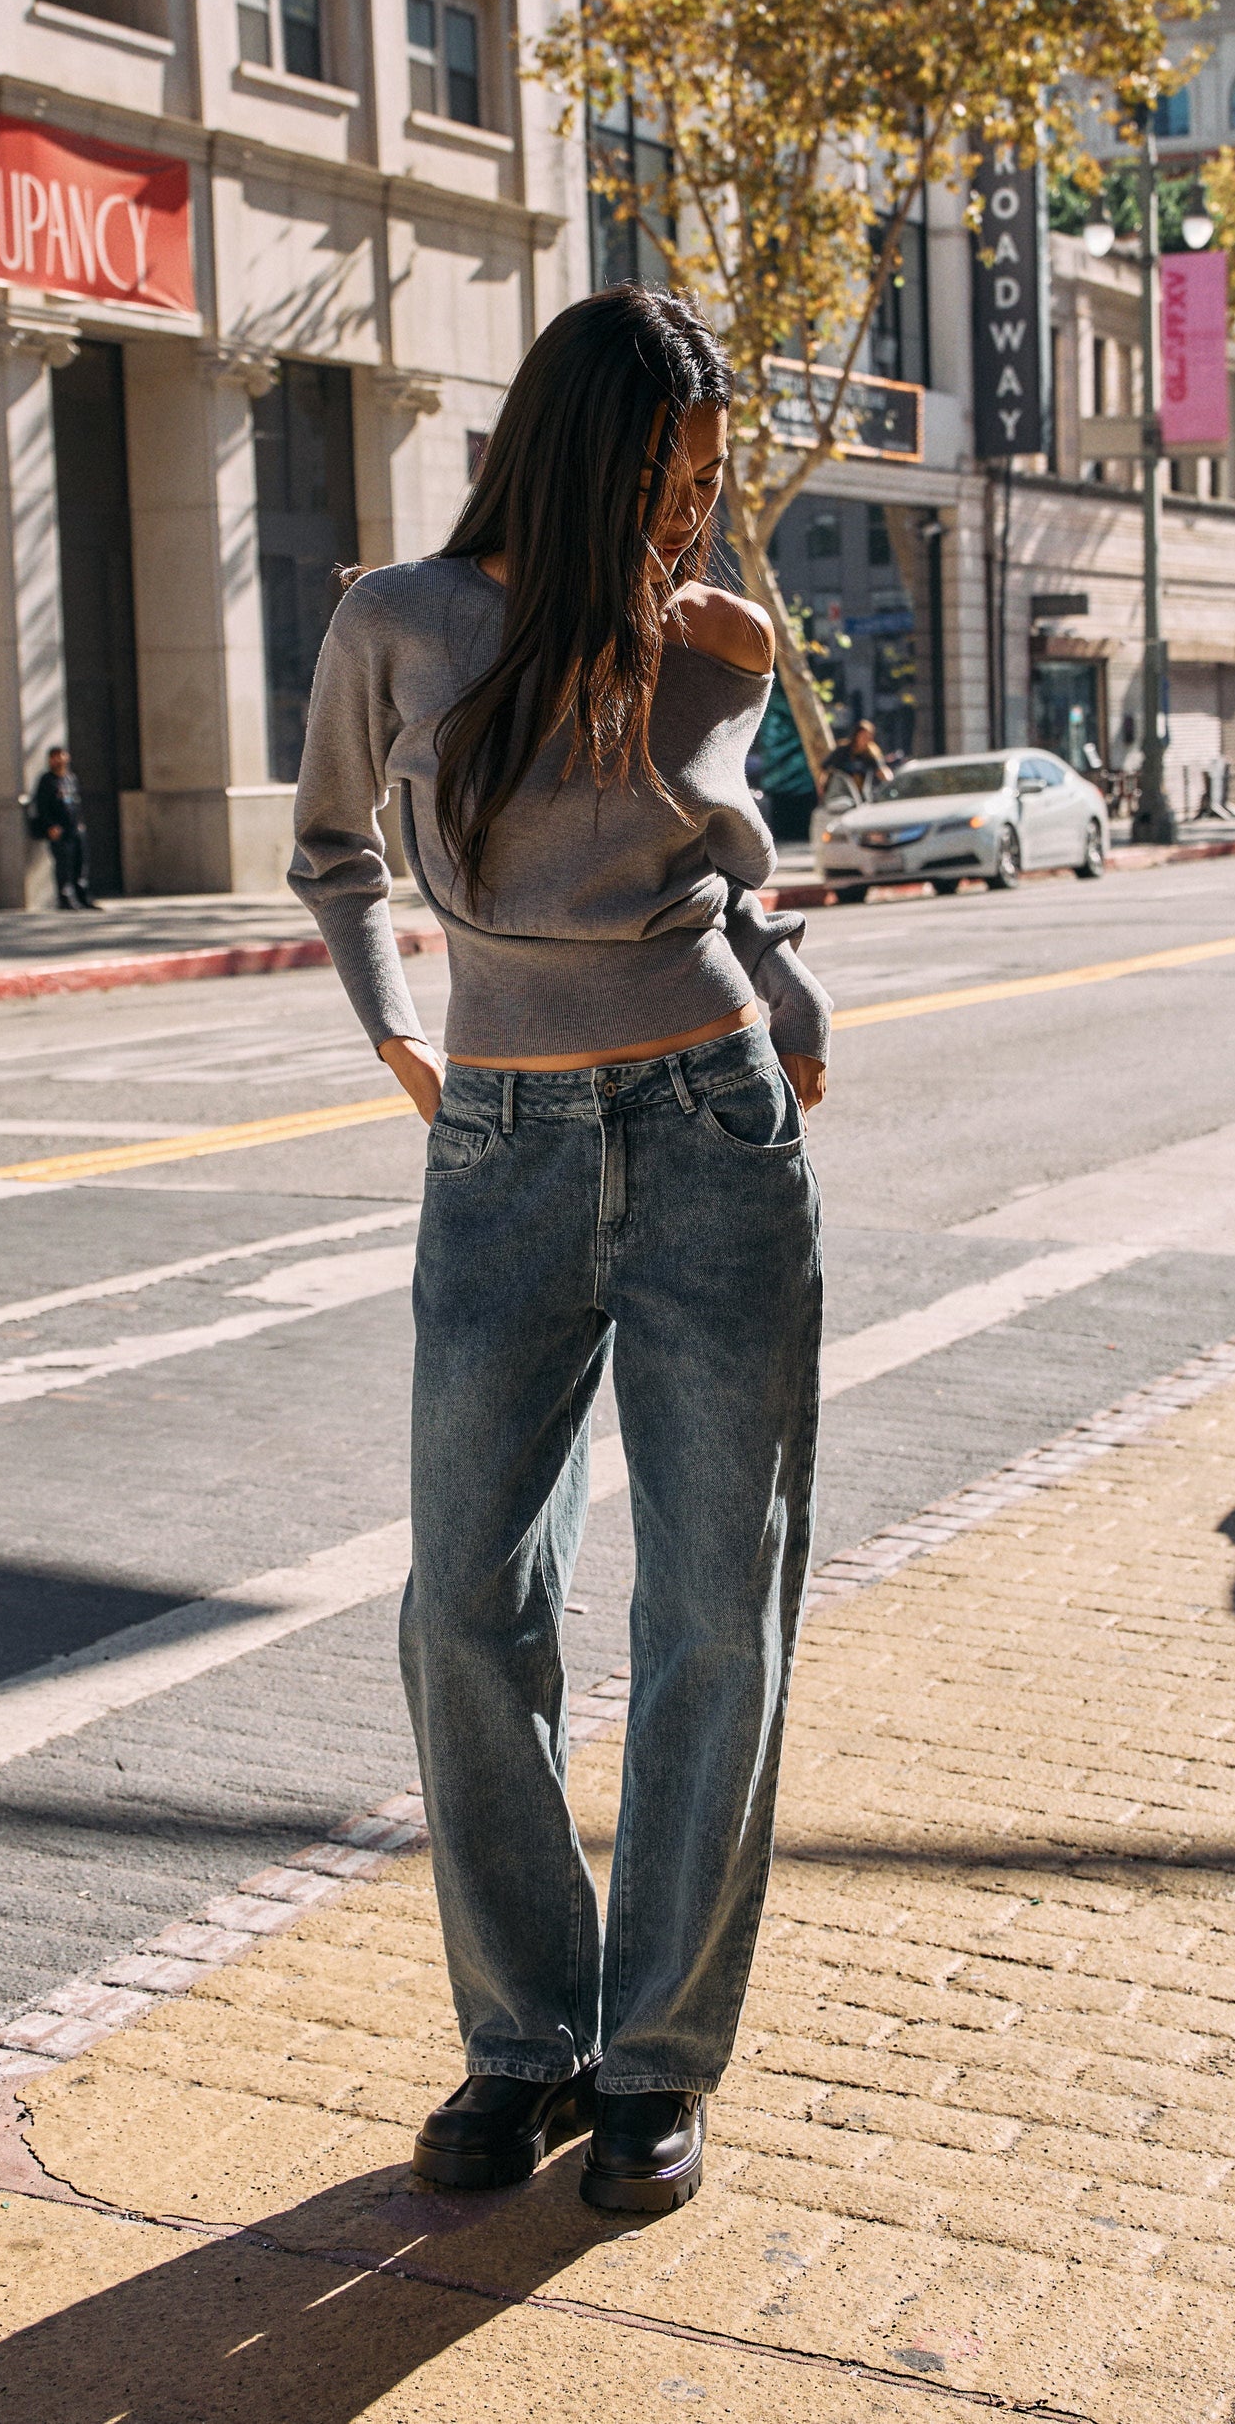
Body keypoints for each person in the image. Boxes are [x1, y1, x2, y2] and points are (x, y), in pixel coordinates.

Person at [290, 286, 831, 2217]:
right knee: (464, 1605)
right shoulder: (401, 624)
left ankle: (655, 2063)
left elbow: (718, 868)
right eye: (674, 480)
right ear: (596, 455)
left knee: (711, 1616)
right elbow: (337, 853)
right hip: (503, 1147)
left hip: (712, 1136)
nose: (695, 519)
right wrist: (393, 1030)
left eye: (713, 486)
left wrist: (785, 978)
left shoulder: (718, 643)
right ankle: (522, 2039)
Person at [26, 746, 97, 908]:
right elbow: (41, 806)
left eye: (61, 756)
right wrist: (50, 826)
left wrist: (80, 824)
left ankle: (83, 896)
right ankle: (65, 899)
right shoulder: (47, 781)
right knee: (64, 865)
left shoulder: (70, 779)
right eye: (54, 757)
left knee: (80, 863)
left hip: (75, 829)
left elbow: (77, 804)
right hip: (59, 830)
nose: (58, 760)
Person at [824, 715, 893, 806]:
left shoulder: (871, 753)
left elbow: (881, 771)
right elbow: (825, 768)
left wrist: (891, 781)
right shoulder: (843, 750)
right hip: (842, 794)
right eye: (863, 736)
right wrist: (822, 788)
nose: (866, 739)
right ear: (856, 735)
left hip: (862, 795)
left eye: (869, 737)